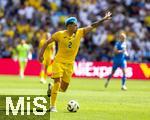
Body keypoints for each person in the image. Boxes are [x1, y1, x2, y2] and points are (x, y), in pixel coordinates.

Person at [39, 12, 112, 112]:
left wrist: (103, 19)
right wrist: (40, 55)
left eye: (77, 25)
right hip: (58, 62)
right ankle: (53, 106)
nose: (77, 26)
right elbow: (47, 42)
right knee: (57, 82)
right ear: (69, 26)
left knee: (63, 89)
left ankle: (51, 89)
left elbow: (92, 25)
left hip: (70, 64)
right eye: (75, 25)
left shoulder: (80, 32)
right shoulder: (59, 34)